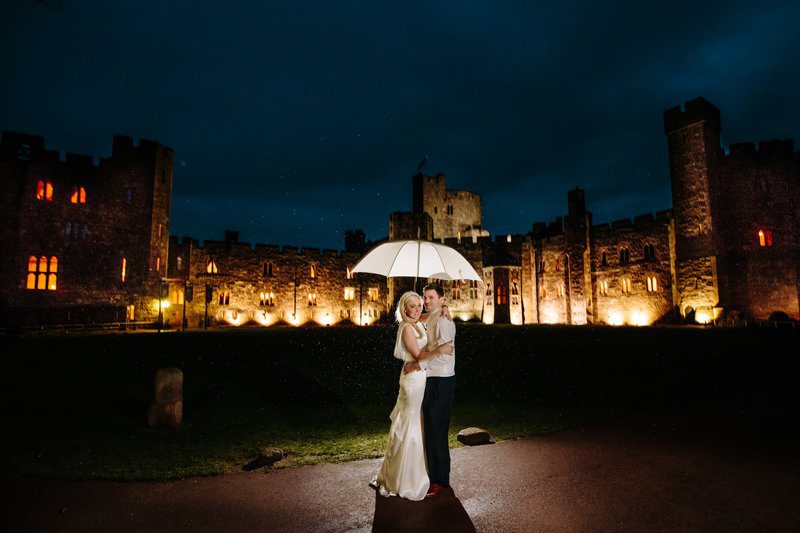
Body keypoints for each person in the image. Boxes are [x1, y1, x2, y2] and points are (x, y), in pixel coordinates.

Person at [371, 291, 453, 501]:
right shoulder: (406, 328)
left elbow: (432, 314)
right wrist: (441, 350)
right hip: (412, 380)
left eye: (419, 305)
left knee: (419, 422)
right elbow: (418, 356)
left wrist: (443, 307)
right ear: (404, 309)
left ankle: (418, 471)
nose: (418, 309)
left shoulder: (418, 321)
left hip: (421, 378)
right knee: (410, 423)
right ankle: (405, 477)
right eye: (413, 306)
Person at [404, 283, 456, 498]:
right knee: (431, 430)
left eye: (431, 298)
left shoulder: (443, 321)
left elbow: (445, 355)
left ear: (441, 299)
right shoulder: (434, 317)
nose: (426, 302)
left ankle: (441, 481)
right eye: (425, 297)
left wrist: (418, 365)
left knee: (437, 432)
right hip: (432, 380)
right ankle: (434, 475)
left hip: (442, 381)